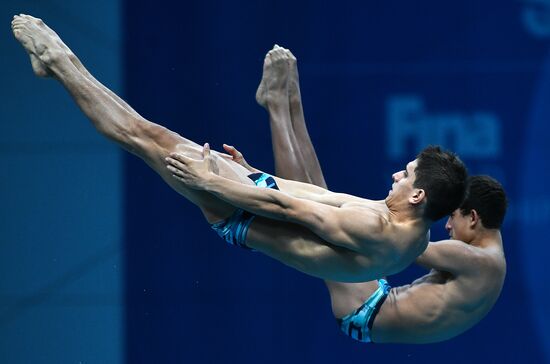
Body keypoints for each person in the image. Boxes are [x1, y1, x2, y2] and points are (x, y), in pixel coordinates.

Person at [12, 14, 467, 283]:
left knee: (143, 136)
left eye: (405, 175)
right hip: (253, 201)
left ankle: (57, 60)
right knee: (149, 135)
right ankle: (59, 69)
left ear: (418, 195)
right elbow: (317, 196)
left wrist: (215, 182)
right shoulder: (415, 234)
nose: (396, 176)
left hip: (240, 211)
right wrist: (251, 172)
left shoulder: (376, 226)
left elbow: (286, 208)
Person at [221, 46, 507, 344]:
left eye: (451, 217)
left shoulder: (477, 259)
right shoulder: (492, 263)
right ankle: (287, 102)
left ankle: (279, 107)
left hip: (367, 311)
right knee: (320, 198)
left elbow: (408, 244)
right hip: (377, 304)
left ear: (473, 217)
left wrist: (372, 212)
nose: (446, 226)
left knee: (312, 209)